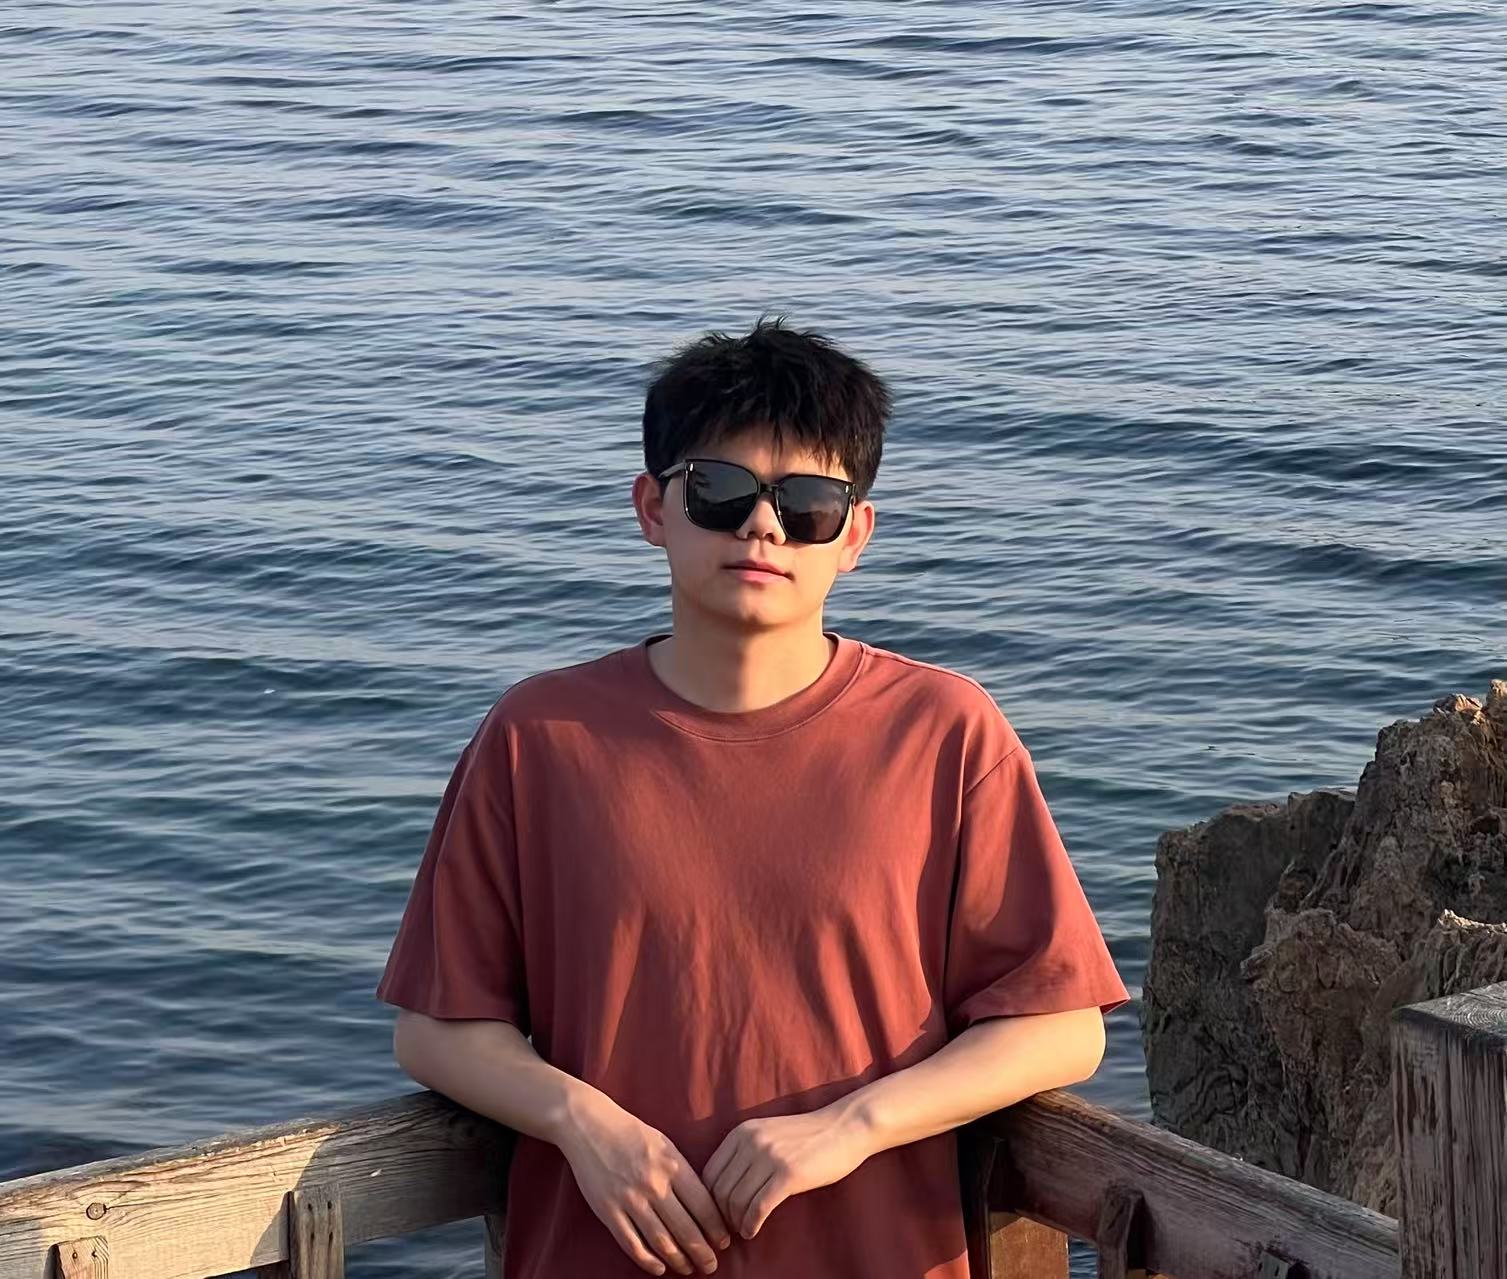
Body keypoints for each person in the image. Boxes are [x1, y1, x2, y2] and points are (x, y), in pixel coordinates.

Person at [374, 314, 1130, 1278]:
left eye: (808, 503)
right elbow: (439, 1025)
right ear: (652, 507)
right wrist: (583, 1122)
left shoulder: (943, 732)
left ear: (854, 535)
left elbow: (1058, 1024)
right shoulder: (540, 736)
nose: (762, 526)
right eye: (719, 491)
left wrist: (853, 1123)